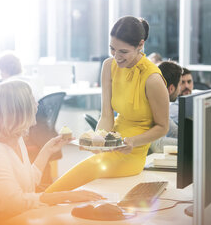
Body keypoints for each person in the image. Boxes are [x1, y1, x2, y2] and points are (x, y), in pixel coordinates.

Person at [45, 16, 169, 193]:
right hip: (113, 141)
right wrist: (99, 141)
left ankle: (43, 200)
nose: (116, 57)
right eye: (112, 49)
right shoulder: (108, 66)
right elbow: (106, 114)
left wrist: (132, 141)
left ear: (140, 45)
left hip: (132, 152)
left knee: (85, 170)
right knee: (85, 170)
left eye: (123, 52)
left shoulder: (153, 79)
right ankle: (43, 202)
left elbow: (162, 127)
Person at [0, 80, 103, 219]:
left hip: (23, 215)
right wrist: (66, 196)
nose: (37, 105)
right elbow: (17, 202)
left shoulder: (16, 139)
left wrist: (47, 150)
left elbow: (29, 184)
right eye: (32, 101)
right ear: (19, 111)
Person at [150, 61, 183, 153]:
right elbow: (157, 145)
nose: (180, 90)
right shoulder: (149, 106)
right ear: (171, 89)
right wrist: (192, 145)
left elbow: (175, 131)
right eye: (180, 85)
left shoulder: (159, 105)